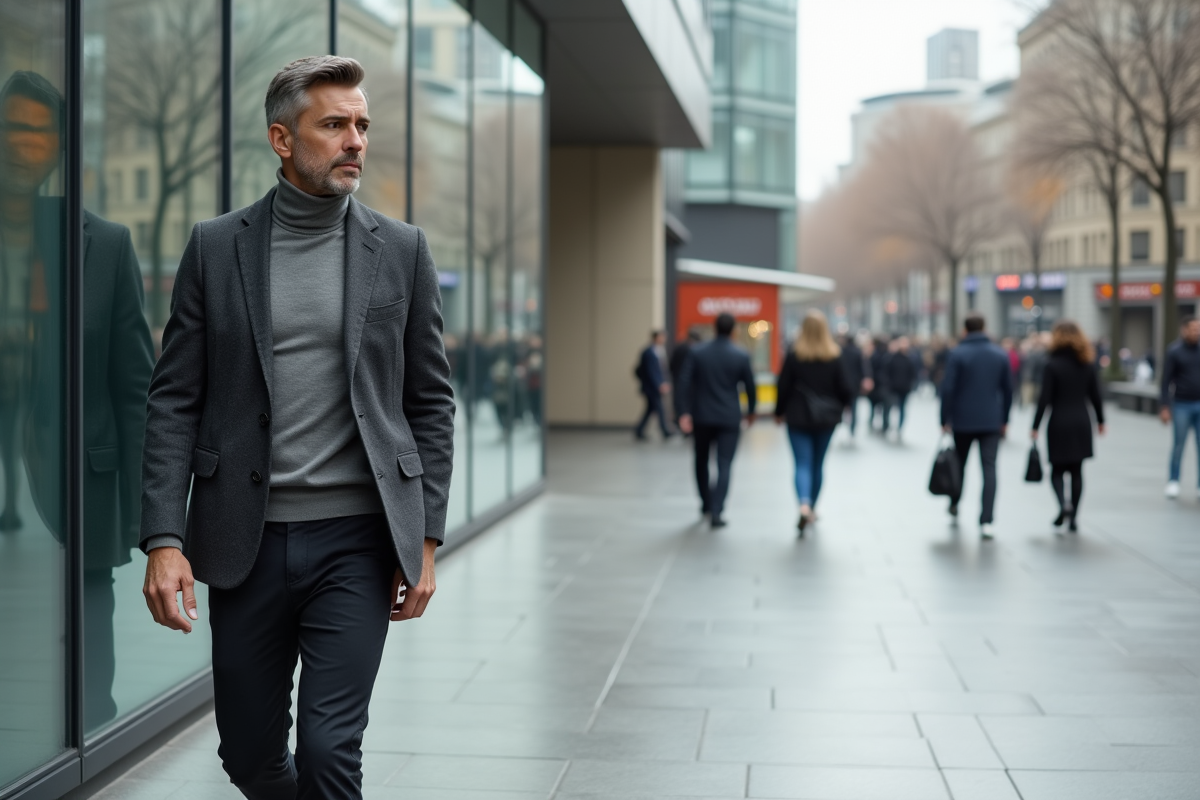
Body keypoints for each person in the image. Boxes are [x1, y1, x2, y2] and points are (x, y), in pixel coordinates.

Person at [139, 56, 455, 799]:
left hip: (357, 539)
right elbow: (174, 400)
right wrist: (163, 539)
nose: (355, 140)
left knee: (328, 750)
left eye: (362, 125)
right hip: (242, 539)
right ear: (283, 139)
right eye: (334, 124)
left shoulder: (401, 251)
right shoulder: (217, 247)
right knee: (249, 756)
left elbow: (431, 403)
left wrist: (427, 542)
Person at [0, 71, 156, 732]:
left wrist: (156, 516)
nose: (21, 144)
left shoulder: (103, 245)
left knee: (89, 608)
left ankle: (89, 729)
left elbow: (135, 387)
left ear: (60, 147)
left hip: (75, 473)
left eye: (38, 132)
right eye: (11, 127)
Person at [677, 313, 757, 528]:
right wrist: (751, 413)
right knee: (724, 464)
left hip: (702, 416)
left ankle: (705, 503)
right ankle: (717, 510)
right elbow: (750, 386)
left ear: (714, 328)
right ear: (734, 330)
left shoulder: (697, 352)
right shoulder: (740, 355)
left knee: (701, 461)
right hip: (729, 418)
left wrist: (683, 412)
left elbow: (683, 383)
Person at [776, 311, 852, 534]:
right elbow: (846, 388)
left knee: (802, 463)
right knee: (818, 464)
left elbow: (783, 387)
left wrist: (779, 412)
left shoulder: (794, 355)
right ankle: (813, 507)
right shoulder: (835, 356)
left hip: (797, 417)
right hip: (826, 419)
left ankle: (804, 503)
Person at [940, 312, 1013, 540]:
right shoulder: (999, 354)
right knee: (989, 469)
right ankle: (987, 520)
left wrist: (944, 419)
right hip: (991, 419)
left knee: (959, 464)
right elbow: (1009, 389)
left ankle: (954, 501)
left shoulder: (958, 354)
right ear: (984, 328)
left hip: (963, 420)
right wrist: (1005, 419)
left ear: (965, 330)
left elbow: (948, 389)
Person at [1031, 321, 1106, 533]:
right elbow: (1096, 396)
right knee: (1077, 470)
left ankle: (1062, 504)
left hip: (1059, 421)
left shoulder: (1051, 364)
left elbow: (1044, 398)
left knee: (1056, 470)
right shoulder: (1087, 363)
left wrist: (1035, 425)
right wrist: (1101, 421)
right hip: (1082, 420)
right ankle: (1074, 517)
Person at [1160, 315, 1200, 498]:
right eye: (1193, 329)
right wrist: (1165, 406)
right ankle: (1173, 480)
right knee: (1178, 445)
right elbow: (1165, 380)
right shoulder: (1174, 351)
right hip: (1181, 404)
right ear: (1184, 330)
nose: (1196, 332)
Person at [634, 329, 671, 440]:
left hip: (653, 387)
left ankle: (639, 430)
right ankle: (665, 431)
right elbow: (651, 371)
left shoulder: (659, 350)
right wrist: (660, 384)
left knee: (650, 410)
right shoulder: (649, 352)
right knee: (659, 409)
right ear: (656, 337)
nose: (664, 339)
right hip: (651, 388)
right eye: (662, 337)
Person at [838, 332, 871, 439]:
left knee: (842, 406)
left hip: (842, 384)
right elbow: (863, 369)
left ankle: (841, 424)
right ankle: (852, 429)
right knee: (854, 408)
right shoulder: (858, 352)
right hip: (854, 384)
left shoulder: (841, 351)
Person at [883, 336, 918, 437]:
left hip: (904, 388)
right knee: (889, 407)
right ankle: (887, 425)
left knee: (902, 408)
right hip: (893, 388)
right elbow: (887, 372)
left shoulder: (910, 358)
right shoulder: (892, 357)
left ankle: (900, 427)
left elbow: (913, 374)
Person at [669, 329, 702, 430]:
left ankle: (680, 421)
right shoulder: (697, 350)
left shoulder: (679, 348)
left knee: (679, 400)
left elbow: (671, 365)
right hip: (692, 381)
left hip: (677, 379)